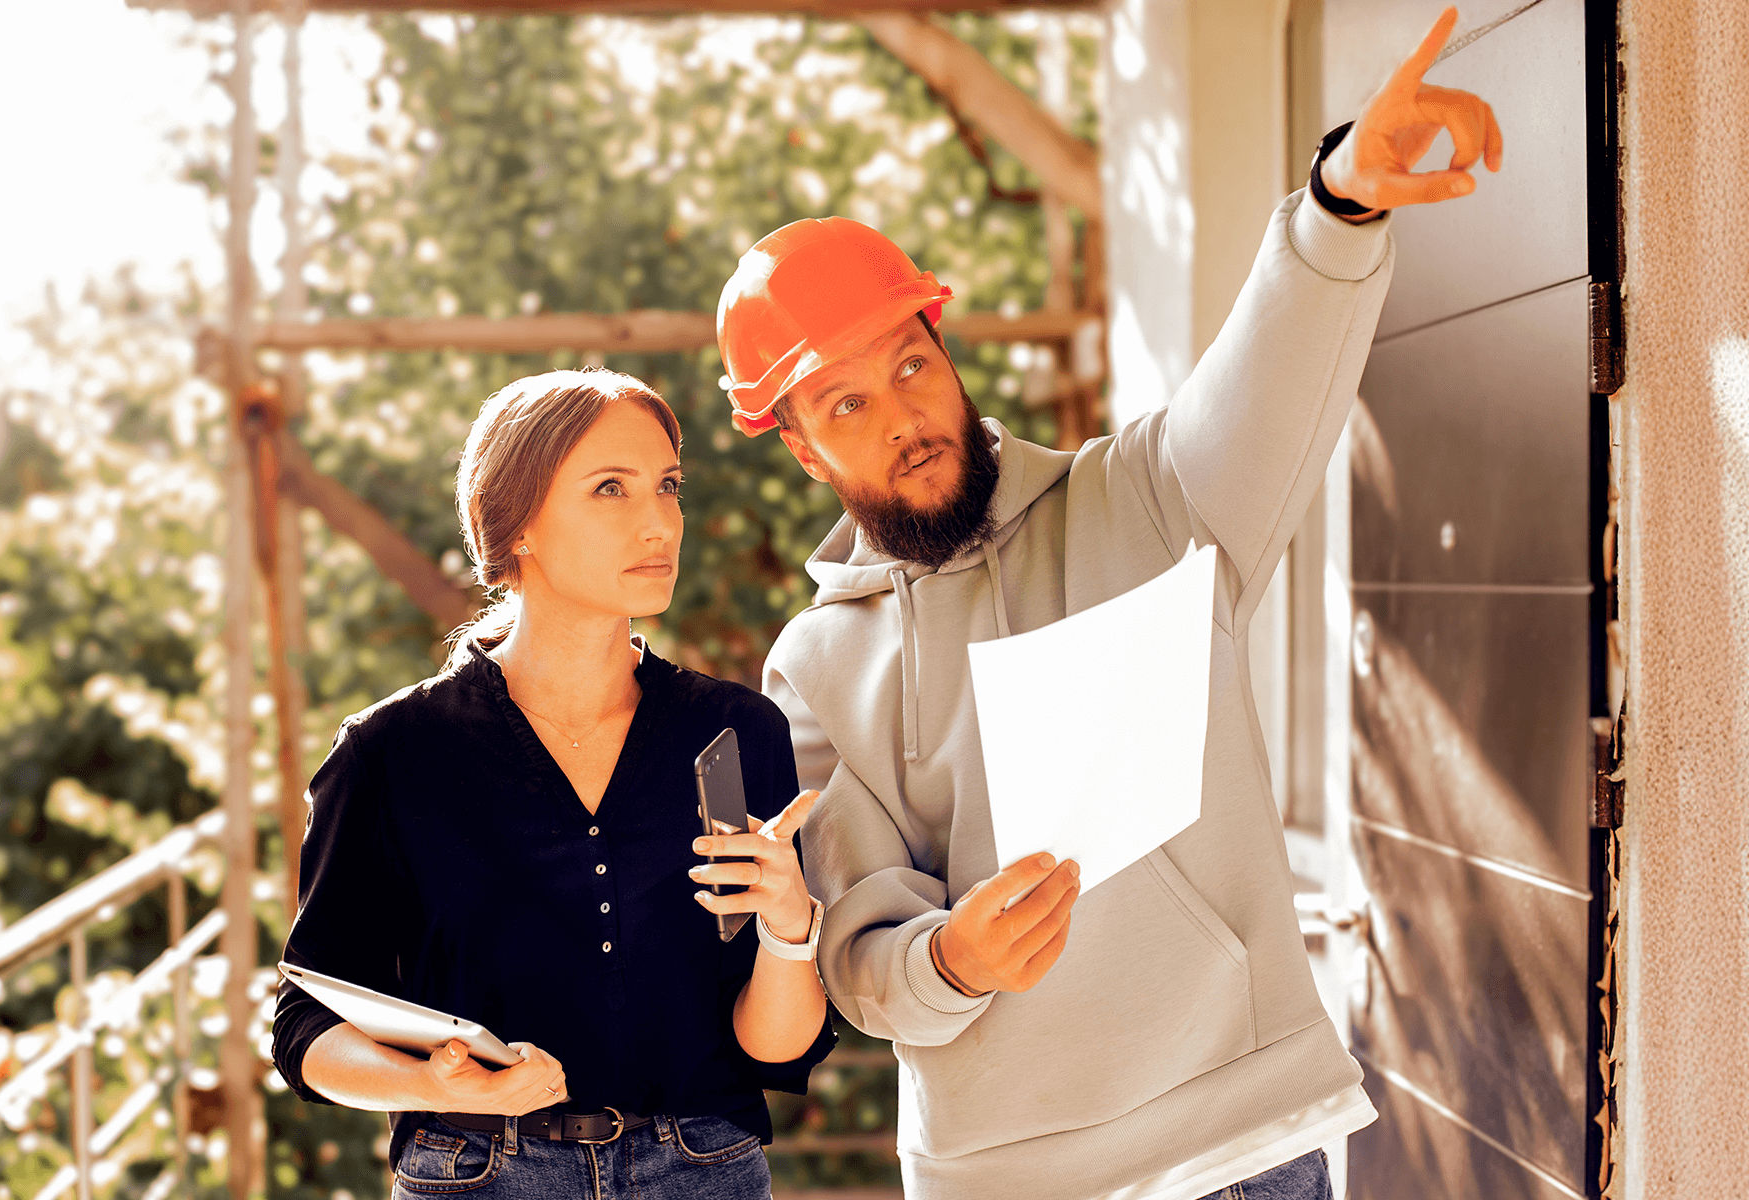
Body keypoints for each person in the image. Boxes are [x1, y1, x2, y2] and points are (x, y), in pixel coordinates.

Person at [713, 9, 1500, 1200]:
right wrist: (953, 961)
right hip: (1006, 1178)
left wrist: (1338, 203)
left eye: (910, 365)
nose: (901, 419)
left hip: (1242, 1144)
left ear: (947, 347)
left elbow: (1269, 373)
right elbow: (859, 954)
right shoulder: (815, 666)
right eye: (846, 407)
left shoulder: (1142, 499)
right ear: (807, 453)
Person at [270, 369, 835, 1199]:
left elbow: (775, 1050)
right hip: (475, 1176)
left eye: (668, 487)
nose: (659, 521)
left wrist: (790, 927)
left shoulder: (739, 733)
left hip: (703, 1173)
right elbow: (304, 1026)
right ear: (518, 524)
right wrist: (434, 1086)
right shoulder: (390, 755)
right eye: (611, 488)